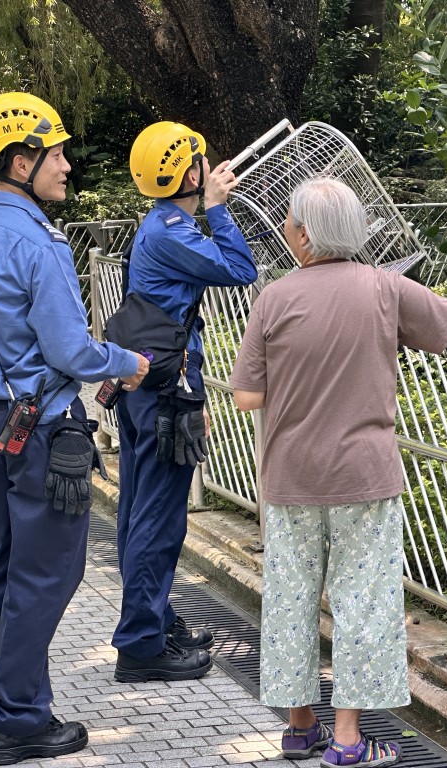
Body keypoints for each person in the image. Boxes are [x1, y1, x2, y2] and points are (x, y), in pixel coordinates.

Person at [230, 177, 447, 768]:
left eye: (292, 225)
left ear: (304, 235)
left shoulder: (273, 297)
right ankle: (348, 740)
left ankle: (299, 727)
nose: (289, 234)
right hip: (364, 478)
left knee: (292, 598)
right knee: (362, 601)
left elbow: (247, 396)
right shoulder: (386, 288)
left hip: (290, 478)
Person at [0, 91, 150, 766]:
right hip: (47, 431)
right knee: (45, 573)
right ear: (20, 159)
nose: (65, 166)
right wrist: (128, 362)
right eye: (55, 153)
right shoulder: (40, 243)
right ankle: (19, 718)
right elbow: (70, 352)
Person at [112, 121, 257, 682]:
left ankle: (154, 621)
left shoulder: (160, 223)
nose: (206, 169)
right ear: (186, 171)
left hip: (149, 382)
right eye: (199, 162)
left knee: (138, 511)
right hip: (168, 387)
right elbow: (240, 269)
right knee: (159, 518)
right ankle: (142, 644)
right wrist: (219, 209)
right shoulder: (172, 230)